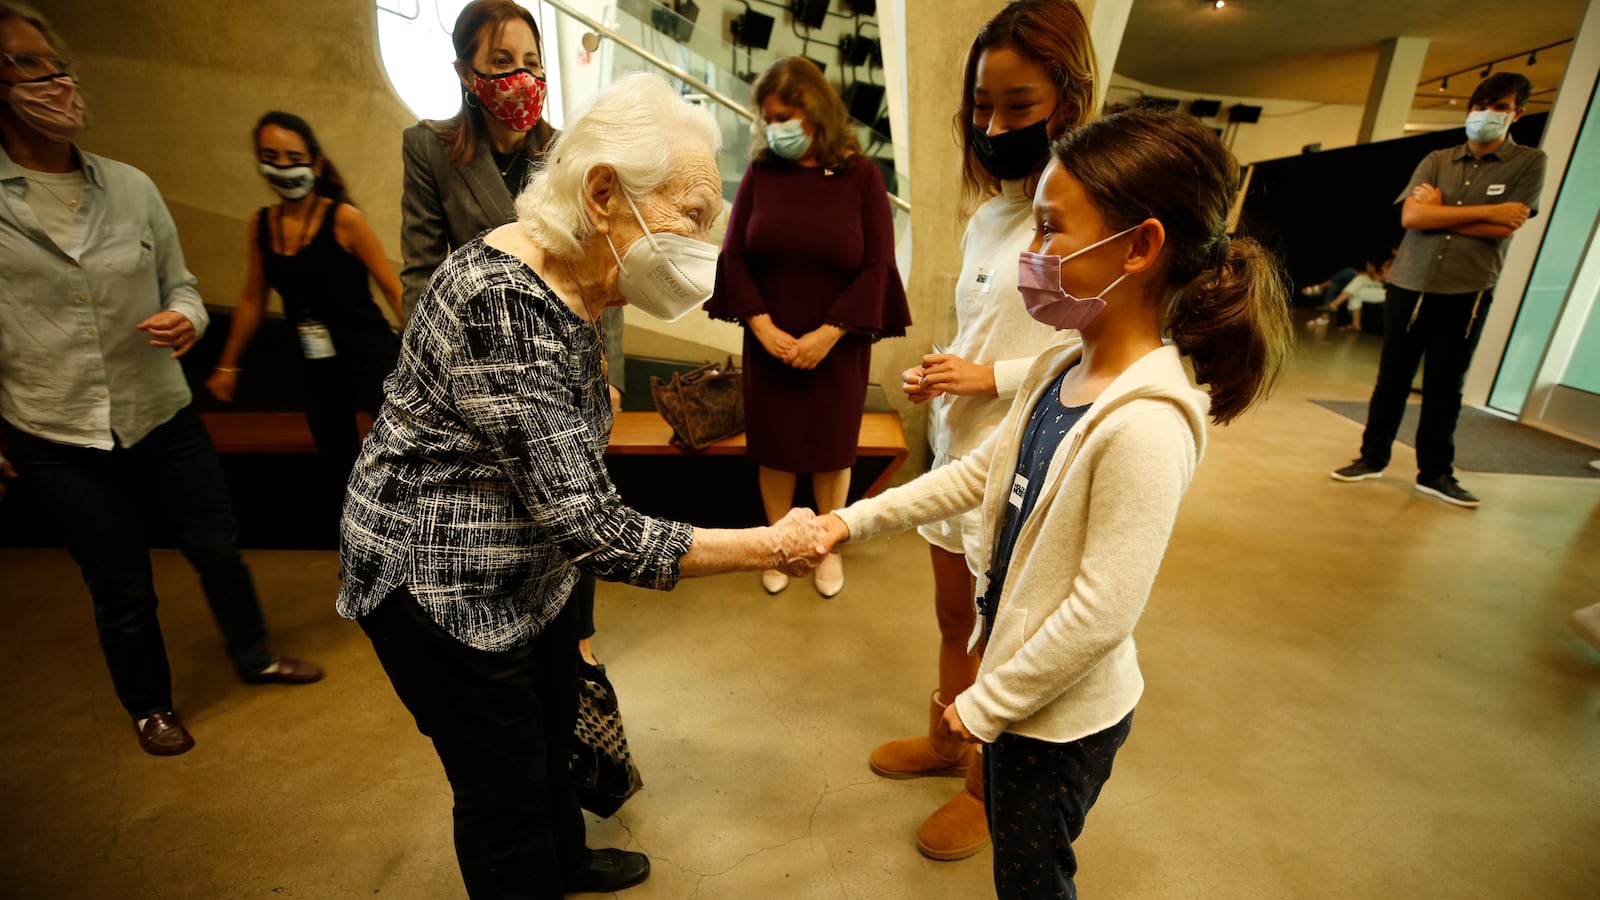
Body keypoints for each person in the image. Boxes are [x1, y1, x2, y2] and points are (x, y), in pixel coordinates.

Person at [339, 74, 831, 900]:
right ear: (604, 192)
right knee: (503, 791)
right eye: (694, 215)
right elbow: (595, 528)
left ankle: (569, 863)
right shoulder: (504, 297)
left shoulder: (577, 276)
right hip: (441, 584)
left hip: (529, 567)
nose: (706, 245)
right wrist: (770, 542)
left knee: (551, 739)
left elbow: (556, 434)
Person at [819, 107, 1293, 897]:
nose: (1030, 256)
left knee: (1033, 878)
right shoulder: (1056, 368)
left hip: (1059, 722)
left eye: (1049, 230)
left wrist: (986, 704)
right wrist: (849, 519)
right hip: (1018, 694)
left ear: (1139, 246)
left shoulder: (1145, 424)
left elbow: (1105, 607)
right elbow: (978, 476)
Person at [0, 2, 322, 758]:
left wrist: (188, 321)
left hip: (159, 408)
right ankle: (149, 705)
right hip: (56, 427)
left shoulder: (131, 186)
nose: (55, 78)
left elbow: (184, 287)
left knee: (217, 545)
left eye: (55, 60)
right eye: (25, 63)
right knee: (118, 579)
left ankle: (255, 655)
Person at [870, 0, 1098, 862]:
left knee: (1006, 626)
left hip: (1027, 455)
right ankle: (947, 739)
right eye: (982, 105)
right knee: (950, 608)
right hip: (958, 444)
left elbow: (1095, 345)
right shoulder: (993, 211)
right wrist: (946, 368)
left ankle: (985, 785)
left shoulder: (1091, 213)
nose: (994, 124)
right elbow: (992, 328)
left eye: (1018, 105)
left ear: (1069, 99)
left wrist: (994, 377)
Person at [400, 0, 623, 664]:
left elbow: (605, 275)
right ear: (467, 72)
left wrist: (605, 375)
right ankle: (505, 636)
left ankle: (577, 642)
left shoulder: (569, 156)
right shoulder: (430, 150)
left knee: (574, 508)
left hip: (565, 366)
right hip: (482, 375)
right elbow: (419, 275)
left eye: (531, 62)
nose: (520, 77)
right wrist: (429, 380)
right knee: (504, 512)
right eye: (502, 62)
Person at [705, 56, 910, 599]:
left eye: (787, 116)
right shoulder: (761, 173)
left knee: (830, 452)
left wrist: (830, 332)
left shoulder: (862, 177)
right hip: (768, 342)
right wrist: (763, 327)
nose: (778, 129)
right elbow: (735, 255)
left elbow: (878, 266)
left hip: (837, 348)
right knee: (775, 451)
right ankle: (777, 544)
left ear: (817, 112)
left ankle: (825, 547)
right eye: (769, 118)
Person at [1331, 72, 1547, 508]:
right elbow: (1412, 219)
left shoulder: (1528, 162)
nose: (1487, 113)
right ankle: (1371, 457)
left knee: (1446, 386)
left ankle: (1435, 473)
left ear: (1517, 113)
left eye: (1500, 107)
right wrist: (1483, 213)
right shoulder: (1437, 159)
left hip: (1467, 290)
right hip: (1412, 283)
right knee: (1391, 378)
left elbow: (1506, 226)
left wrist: (1441, 210)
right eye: (1482, 104)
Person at [205, 112, 401, 515]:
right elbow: (251, 299)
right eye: (270, 156)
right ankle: (357, 543)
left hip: (368, 354)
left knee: (394, 452)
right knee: (337, 460)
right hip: (315, 362)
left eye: (292, 156)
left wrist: (429, 355)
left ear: (315, 163)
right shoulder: (261, 225)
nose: (281, 166)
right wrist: (227, 365)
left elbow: (392, 287)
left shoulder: (344, 219)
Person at [1312, 254, 1391, 332]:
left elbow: (1389, 279)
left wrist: (1382, 276)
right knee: (1357, 283)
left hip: (1389, 292)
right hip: (1381, 287)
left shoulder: (1394, 266)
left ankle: (1334, 305)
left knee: (1355, 286)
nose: (1383, 269)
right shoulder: (1390, 263)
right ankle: (1354, 324)